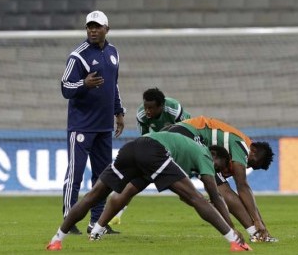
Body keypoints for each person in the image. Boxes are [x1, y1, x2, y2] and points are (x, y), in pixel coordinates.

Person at [46, 131, 251, 252]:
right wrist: (232, 229)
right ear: (214, 154)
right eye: (219, 165)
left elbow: (181, 190)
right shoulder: (204, 154)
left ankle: (57, 239)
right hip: (153, 152)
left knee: (93, 195)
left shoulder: (185, 153)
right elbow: (213, 196)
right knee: (198, 198)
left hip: (132, 148)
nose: (215, 170)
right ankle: (234, 242)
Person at [114, 115, 276, 242]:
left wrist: (259, 221)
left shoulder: (230, 149)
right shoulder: (242, 145)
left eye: (252, 168)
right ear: (252, 150)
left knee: (141, 179)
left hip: (181, 133)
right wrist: (258, 222)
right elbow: (242, 186)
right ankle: (256, 233)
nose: (247, 167)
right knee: (222, 189)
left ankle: (99, 223)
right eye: (251, 162)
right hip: (188, 134)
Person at [60, 10, 125, 235]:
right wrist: (83, 84)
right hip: (82, 126)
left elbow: (113, 85)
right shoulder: (78, 56)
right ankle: (69, 222)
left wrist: (119, 111)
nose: (92, 30)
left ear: (107, 29)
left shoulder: (113, 52)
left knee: (103, 177)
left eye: (97, 26)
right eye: (89, 26)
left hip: (104, 126)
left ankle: (97, 222)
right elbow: (65, 88)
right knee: (75, 175)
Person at [109, 88, 191, 225]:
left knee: (200, 178)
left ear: (161, 106)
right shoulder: (142, 115)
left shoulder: (174, 109)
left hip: (183, 146)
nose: (147, 111)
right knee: (132, 181)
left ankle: (216, 204)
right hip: (160, 148)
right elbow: (145, 139)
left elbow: (188, 131)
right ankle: (117, 214)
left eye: (151, 108)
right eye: (146, 107)